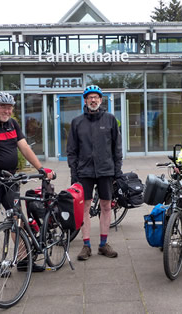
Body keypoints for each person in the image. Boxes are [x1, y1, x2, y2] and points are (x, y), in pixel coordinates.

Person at [0, 92, 55, 275]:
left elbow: (25, 147)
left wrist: (41, 168)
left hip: (10, 180)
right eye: (3, 106)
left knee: (16, 218)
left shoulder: (13, 124)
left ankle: (22, 259)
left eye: (10, 107)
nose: (7, 110)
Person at [67, 85, 122, 261]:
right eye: (89, 97)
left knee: (106, 206)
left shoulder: (110, 120)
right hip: (84, 172)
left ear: (101, 100)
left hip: (106, 170)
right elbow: (71, 150)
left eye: (96, 97)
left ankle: (103, 244)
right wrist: (74, 173)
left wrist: (117, 171)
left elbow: (117, 148)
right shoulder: (77, 122)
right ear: (85, 100)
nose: (93, 100)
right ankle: (86, 245)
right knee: (85, 207)